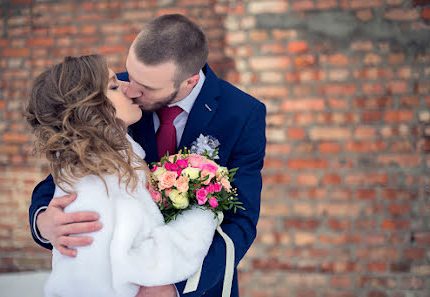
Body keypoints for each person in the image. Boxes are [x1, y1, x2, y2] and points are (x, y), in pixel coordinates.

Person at [29, 14, 266, 297]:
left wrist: (174, 287)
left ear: (189, 82)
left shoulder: (243, 114)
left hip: (198, 286)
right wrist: (44, 221)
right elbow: (66, 172)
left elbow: (240, 220)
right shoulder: (110, 99)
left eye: (148, 88)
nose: (131, 88)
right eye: (129, 74)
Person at [26, 55, 219, 297]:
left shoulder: (108, 157)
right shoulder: (99, 177)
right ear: (90, 107)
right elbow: (114, 267)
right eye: (115, 86)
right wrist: (200, 220)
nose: (131, 88)